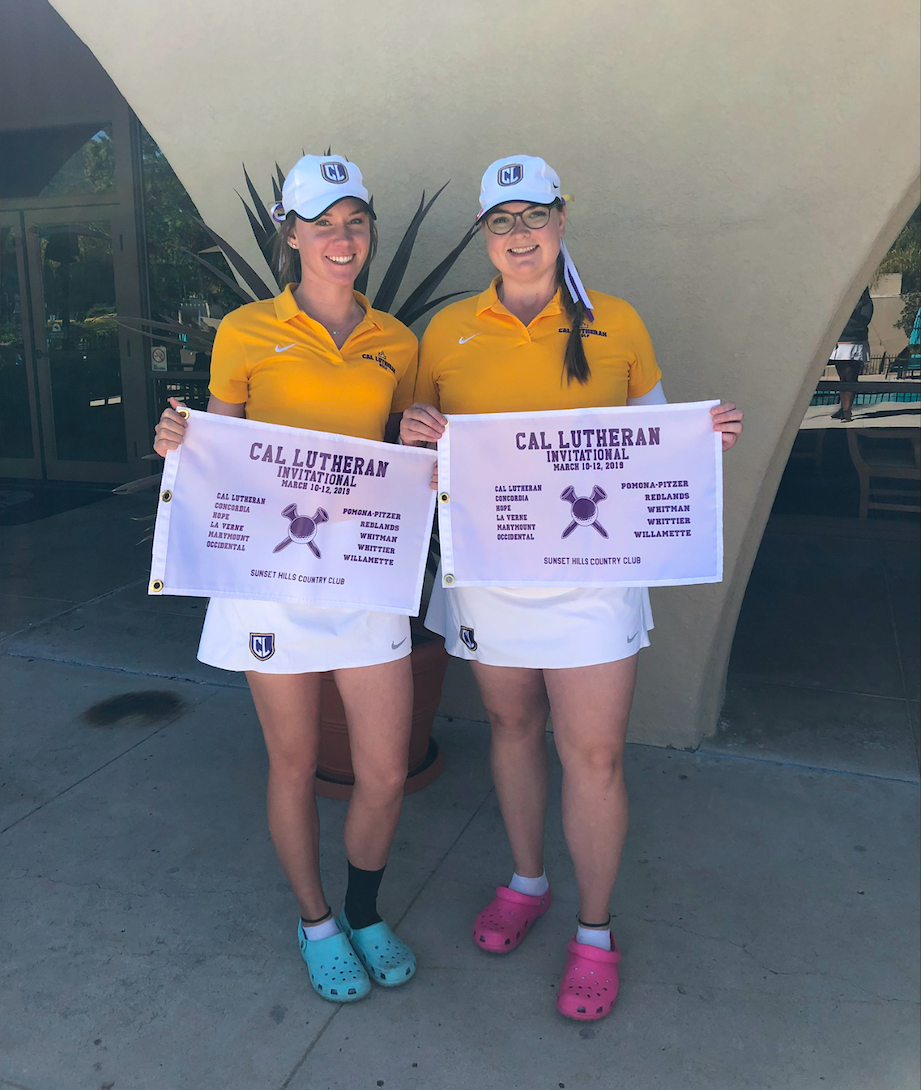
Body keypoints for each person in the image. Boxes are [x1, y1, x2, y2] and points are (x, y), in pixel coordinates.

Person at [400, 155, 743, 1022]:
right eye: (501, 220)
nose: (518, 234)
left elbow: (652, 440)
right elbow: (415, 445)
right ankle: (527, 882)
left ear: (561, 217)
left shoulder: (615, 321)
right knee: (513, 729)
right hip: (489, 575)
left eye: (533, 215)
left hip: (594, 580)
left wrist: (699, 440)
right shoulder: (446, 330)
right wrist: (415, 430)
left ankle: (594, 931)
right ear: (484, 234)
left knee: (593, 756)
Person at [154, 155, 419, 1004]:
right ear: (291, 235)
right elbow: (220, 447)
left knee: (383, 772)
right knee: (295, 763)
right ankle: (315, 922)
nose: (341, 239)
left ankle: (364, 913)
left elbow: (400, 451)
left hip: (361, 573)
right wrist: (178, 441)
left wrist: (424, 434)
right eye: (322, 224)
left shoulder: (397, 341)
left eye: (354, 222)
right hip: (269, 579)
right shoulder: (244, 330)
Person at [830, 287, 874, 422]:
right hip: (839, 341)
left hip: (854, 342)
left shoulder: (865, 302)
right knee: (843, 378)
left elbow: (864, 320)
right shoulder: (841, 300)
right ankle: (843, 407)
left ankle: (847, 411)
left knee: (850, 378)